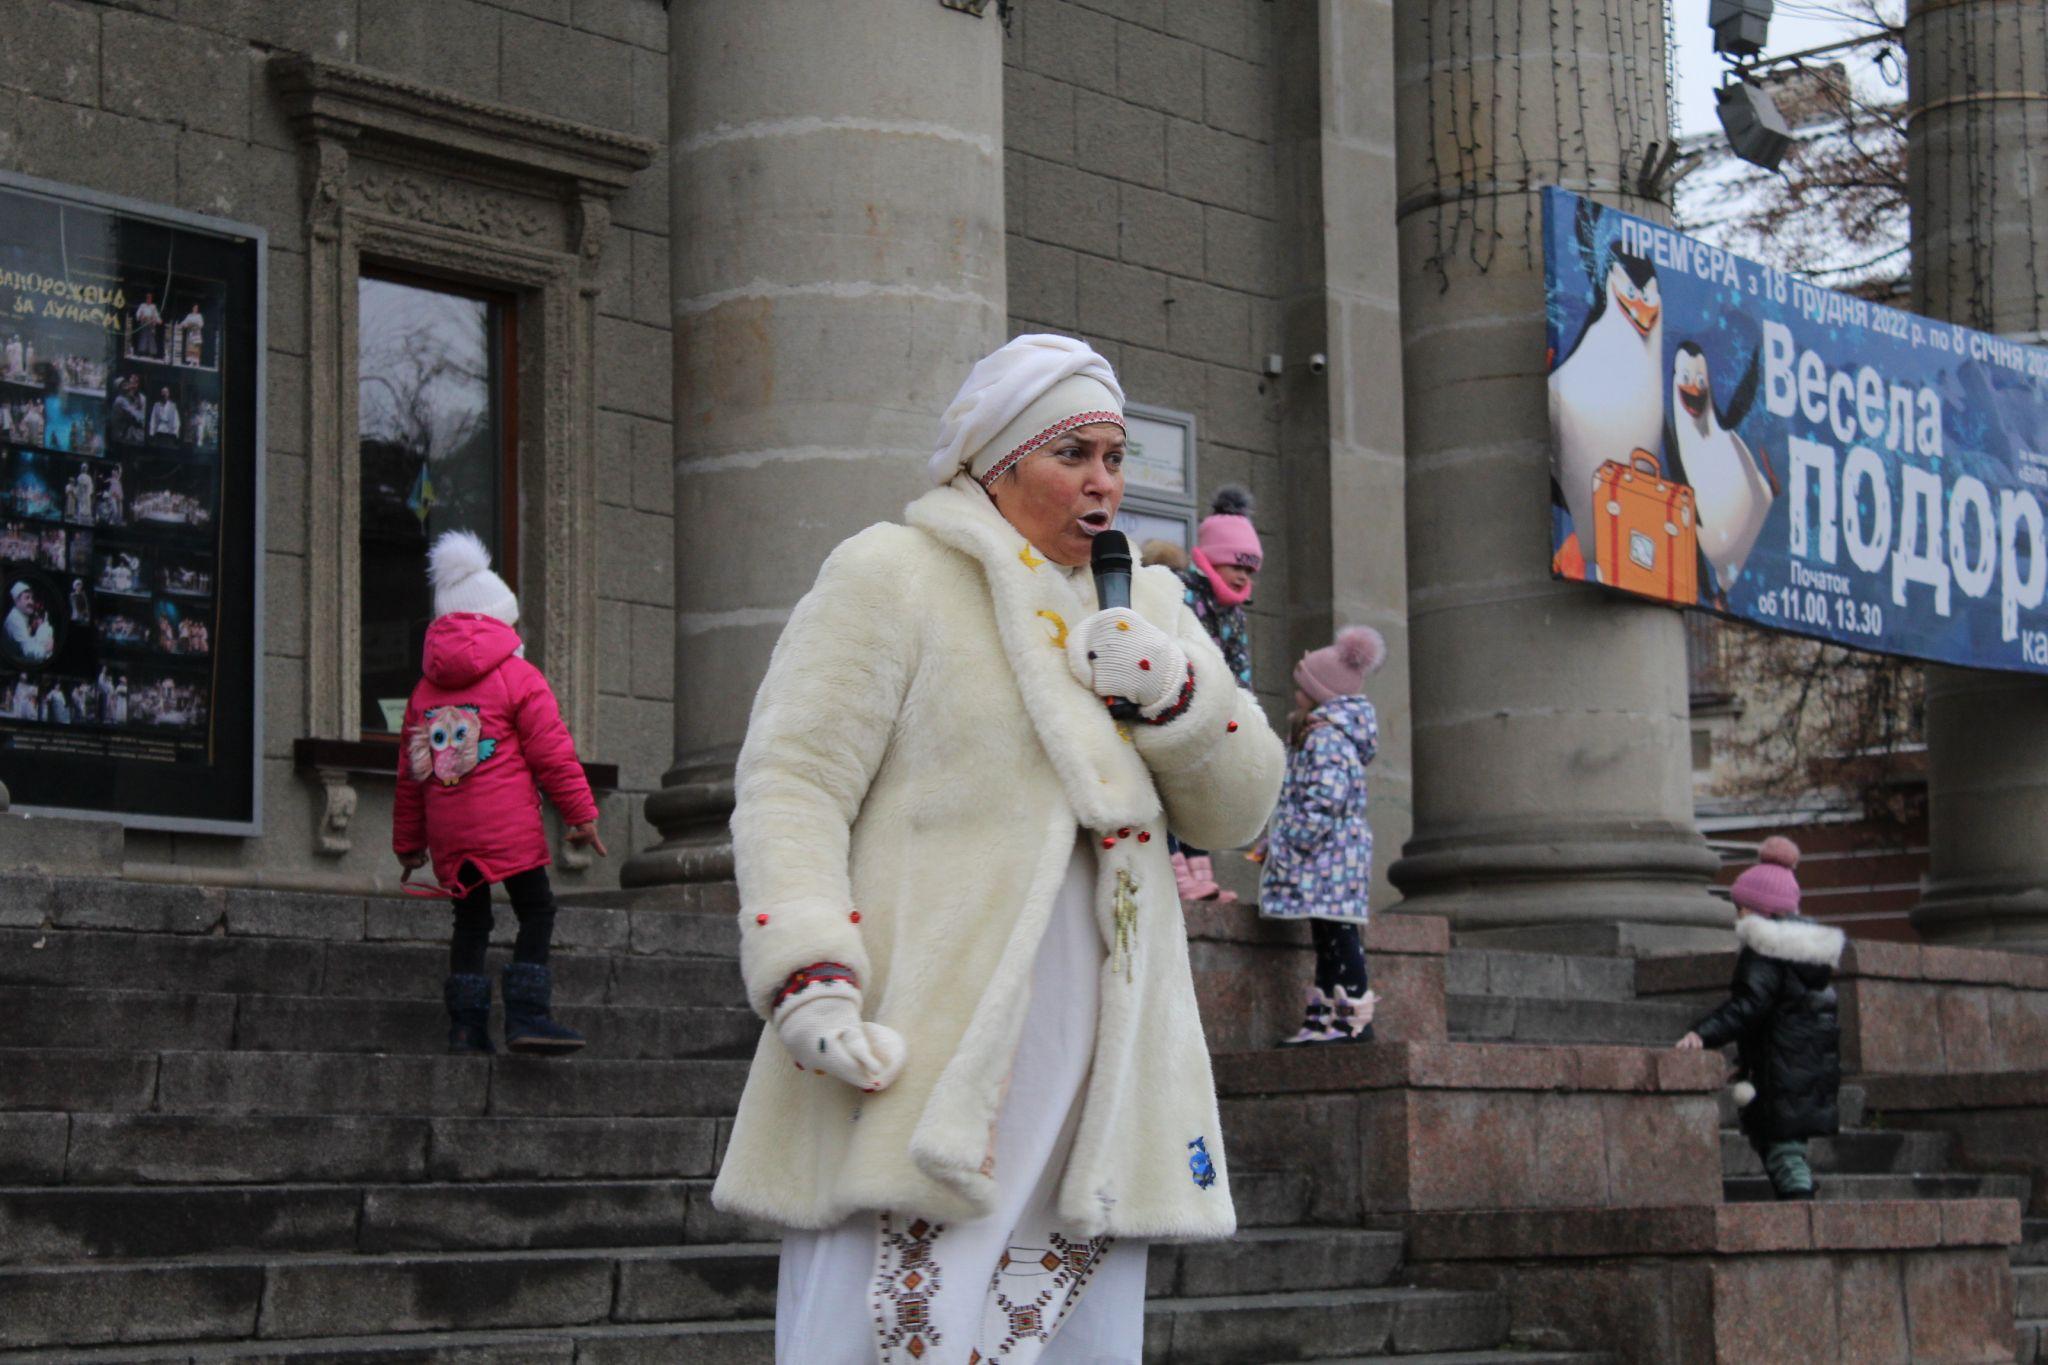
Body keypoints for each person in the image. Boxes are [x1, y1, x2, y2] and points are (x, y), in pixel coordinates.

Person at [714, 333, 1284, 1364]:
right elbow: (792, 780)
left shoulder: (1151, 603)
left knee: (1074, 1320)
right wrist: (810, 971)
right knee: (889, 1318)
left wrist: (1177, 696)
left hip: (1104, 1039)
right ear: (995, 461)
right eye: (1075, 456)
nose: (1102, 483)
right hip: (923, 1035)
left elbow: (1241, 808)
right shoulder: (892, 574)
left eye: (1115, 458)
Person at [391, 529, 607, 1056]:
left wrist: (408, 845)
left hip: (451, 834)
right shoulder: (519, 677)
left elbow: (412, 774)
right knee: (536, 910)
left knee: (471, 918)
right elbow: (552, 754)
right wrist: (580, 814)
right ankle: (527, 1016)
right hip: (507, 827)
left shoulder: (424, 690)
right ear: (496, 621)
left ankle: (466, 1029)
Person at [1675, 838, 1842, 1201]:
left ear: (1760, 912)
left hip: (1779, 1072)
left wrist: (1703, 1034)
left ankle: (1800, 1205)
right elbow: (1780, 1017)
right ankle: (1800, 1196)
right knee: (1784, 1142)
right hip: (1800, 1069)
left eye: (1742, 909)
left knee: (1781, 1149)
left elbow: (1750, 1005)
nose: (1738, 917)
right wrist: (1748, 1062)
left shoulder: (1763, 951)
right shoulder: (1808, 960)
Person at [1260, 627, 1388, 1045]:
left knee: (1339, 937)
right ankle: (1327, 1019)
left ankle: (1353, 1018)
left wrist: (1287, 842)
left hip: (1329, 859)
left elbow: (1322, 803)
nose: (1296, 692)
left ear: (1321, 693)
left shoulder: (1328, 739)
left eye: (1303, 687)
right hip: (1331, 860)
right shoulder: (1321, 735)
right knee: (1329, 937)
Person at [1167, 485, 1263, 903]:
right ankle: (1177, 872)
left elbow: (1240, 666)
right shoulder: (1183, 593)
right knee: (1173, 789)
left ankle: (1199, 873)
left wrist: (1247, 711)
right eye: (1234, 565)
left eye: (1250, 570)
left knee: (1200, 795)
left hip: (1214, 717)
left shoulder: (1234, 614)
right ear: (1210, 559)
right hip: (1179, 708)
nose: (1243, 576)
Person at [4, 582, 52, 663]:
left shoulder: (22, 616)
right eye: (27, 598)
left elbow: (27, 641)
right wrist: (47, 649)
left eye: (32, 598)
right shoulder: (15, 619)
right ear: (17, 601)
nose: (31, 602)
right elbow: (27, 650)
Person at [110, 375, 146, 446]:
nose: (127, 385)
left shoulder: (134, 398)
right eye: (123, 385)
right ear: (119, 389)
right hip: (120, 435)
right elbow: (137, 415)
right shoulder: (120, 400)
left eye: (126, 383)